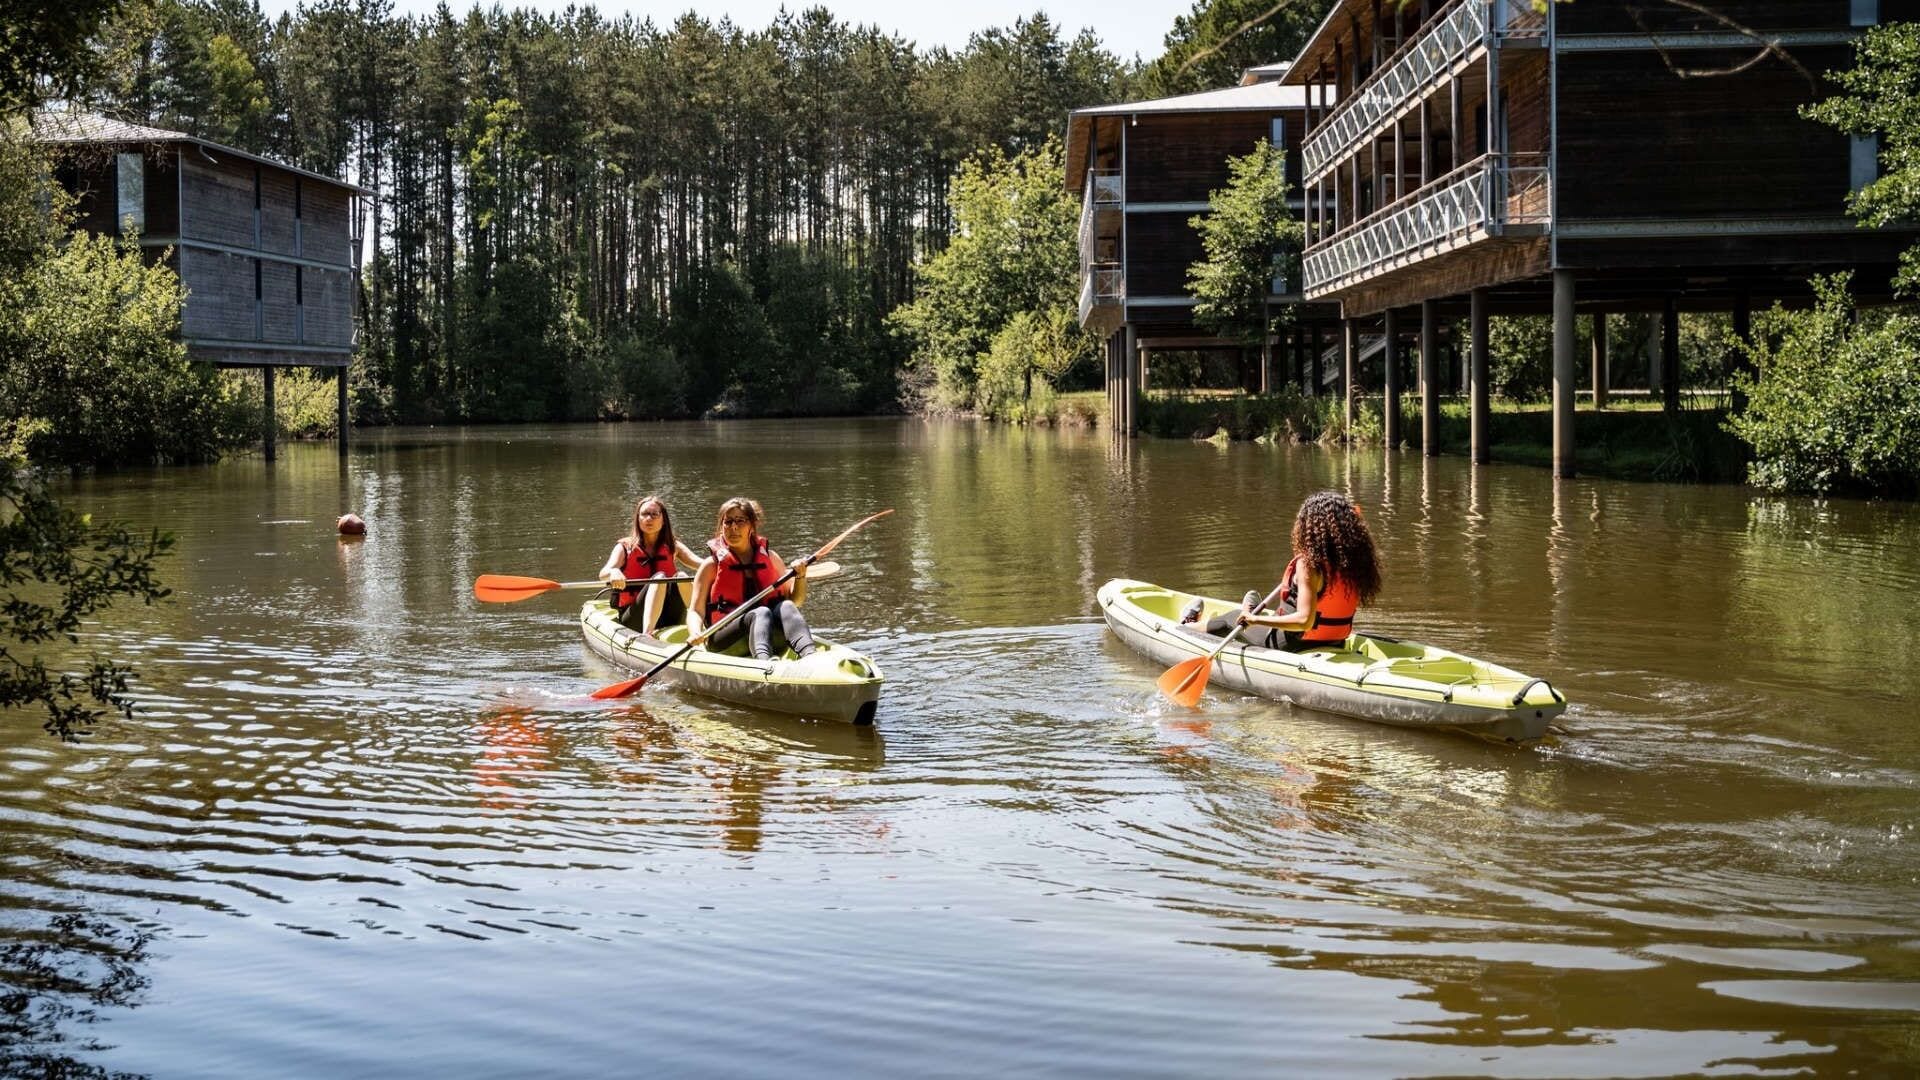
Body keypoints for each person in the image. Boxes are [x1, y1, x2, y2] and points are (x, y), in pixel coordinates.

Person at [1182, 489, 1382, 652]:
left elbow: (1305, 620)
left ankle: (1185, 627)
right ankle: (1250, 608)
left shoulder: (1309, 565)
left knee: (1230, 618)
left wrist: (1254, 619)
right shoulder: (1355, 563)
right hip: (1335, 640)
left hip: (1294, 644)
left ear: (1308, 526)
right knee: (1256, 610)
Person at [688, 497, 818, 661]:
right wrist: (695, 633)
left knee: (786, 605)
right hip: (726, 639)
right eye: (728, 522)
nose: (733, 527)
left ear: (752, 525)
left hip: (770, 633)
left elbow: (796, 601)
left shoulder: (771, 558)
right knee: (761, 612)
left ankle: (810, 655)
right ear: (722, 527)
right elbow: (695, 611)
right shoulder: (710, 565)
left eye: (740, 521)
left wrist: (801, 576)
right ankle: (764, 664)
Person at [599, 496, 703, 635]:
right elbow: (603, 573)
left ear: (663, 519)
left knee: (682, 577)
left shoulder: (673, 546)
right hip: (635, 617)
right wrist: (613, 572)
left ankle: (702, 626)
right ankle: (648, 633)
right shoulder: (625, 547)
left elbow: (702, 565)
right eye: (645, 514)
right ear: (638, 519)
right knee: (659, 577)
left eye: (654, 514)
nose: (649, 518)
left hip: (668, 615)